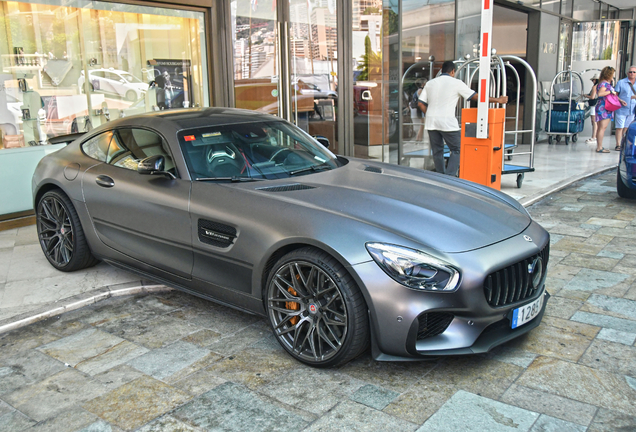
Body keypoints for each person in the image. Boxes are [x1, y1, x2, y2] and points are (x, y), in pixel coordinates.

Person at [417, 60, 508, 176]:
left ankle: (440, 176)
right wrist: (497, 100)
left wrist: (429, 113)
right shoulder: (456, 83)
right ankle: (449, 177)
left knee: (437, 151)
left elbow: (420, 104)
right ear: (453, 71)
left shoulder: (430, 83)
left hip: (431, 122)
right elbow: (475, 96)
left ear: (441, 71)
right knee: (457, 149)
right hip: (447, 122)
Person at [595, 66, 622, 153]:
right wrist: (610, 91)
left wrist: (620, 100)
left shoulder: (601, 83)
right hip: (605, 108)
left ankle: (599, 146)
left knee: (600, 128)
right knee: (602, 128)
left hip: (601, 106)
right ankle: (599, 147)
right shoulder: (605, 84)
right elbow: (600, 93)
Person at [614, 65, 636, 151]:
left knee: (626, 128)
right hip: (621, 109)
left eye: (634, 72)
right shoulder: (621, 82)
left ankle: (623, 142)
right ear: (627, 73)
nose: (632, 73)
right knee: (620, 127)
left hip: (632, 110)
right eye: (630, 72)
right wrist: (620, 100)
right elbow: (615, 95)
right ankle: (618, 144)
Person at [584, 74, 599, 144]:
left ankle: (594, 137)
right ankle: (595, 136)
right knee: (596, 121)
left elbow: (592, 97)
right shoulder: (601, 86)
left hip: (593, 105)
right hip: (598, 104)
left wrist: (586, 96)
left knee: (594, 121)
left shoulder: (595, 87)